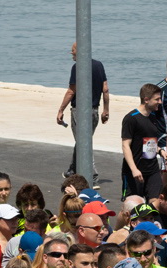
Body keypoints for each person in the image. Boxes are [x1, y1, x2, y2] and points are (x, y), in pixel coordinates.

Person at [57, 42, 109, 184]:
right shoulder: (99, 65)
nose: (71, 53)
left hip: (79, 112)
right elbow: (105, 89)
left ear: (80, 51)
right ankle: (72, 170)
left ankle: (92, 176)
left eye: (73, 50)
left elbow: (71, 91)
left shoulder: (77, 67)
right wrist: (106, 110)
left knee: (83, 143)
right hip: (94, 110)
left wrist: (60, 110)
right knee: (82, 141)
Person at [121, 84, 165, 201]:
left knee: (155, 203)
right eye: (157, 99)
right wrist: (134, 169)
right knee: (133, 206)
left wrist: (160, 151)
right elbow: (125, 145)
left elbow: (149, 141)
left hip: (153, 170)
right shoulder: (131, 118)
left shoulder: (153, 116)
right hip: (135, 171)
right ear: (146, 99)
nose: (160, 102)